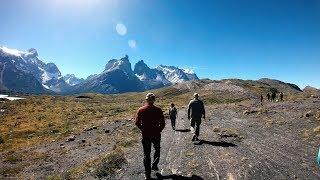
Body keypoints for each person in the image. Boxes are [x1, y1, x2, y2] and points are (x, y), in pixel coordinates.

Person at [135, 93, 165, 179]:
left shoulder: (141, 110)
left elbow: (137, 123)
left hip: (146, 135)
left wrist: (143, 129)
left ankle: (147, 174)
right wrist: (158, 130)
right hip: (156, 135)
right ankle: (155, 165)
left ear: (146, 100)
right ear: (154, 100)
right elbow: (162, 123)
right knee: (157, 149)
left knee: (146, 154)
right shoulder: (158, 110)